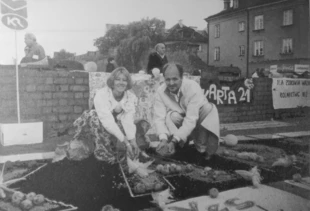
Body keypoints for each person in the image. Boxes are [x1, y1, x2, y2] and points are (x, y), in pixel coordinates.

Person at [154, 63, 220, 159]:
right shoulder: (160, 91)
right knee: (172, 116)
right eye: (168, 79)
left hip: (198, 119)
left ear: (181, 77)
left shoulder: (192, 87)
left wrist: (173, 141)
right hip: (181, 121)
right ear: (164, 78)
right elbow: (159, 118)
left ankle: (202, 149)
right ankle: (181, 146)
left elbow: (191, 119)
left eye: (175, 79)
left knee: (208, 108)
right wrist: (163, 139)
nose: (171, 83)